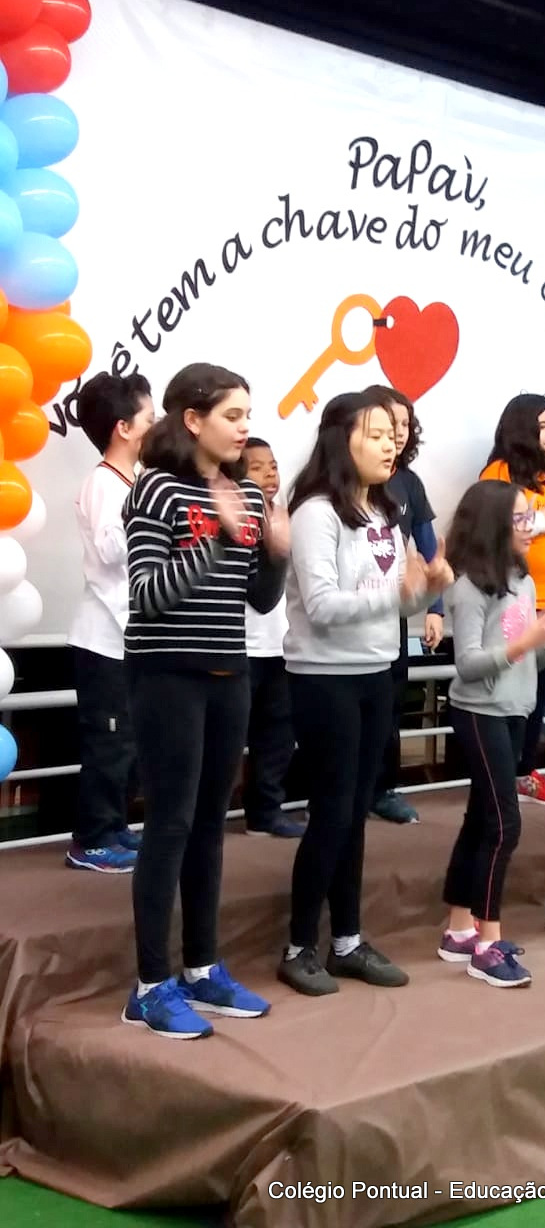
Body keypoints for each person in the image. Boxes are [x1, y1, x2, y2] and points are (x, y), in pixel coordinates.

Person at [121, 363, 289, 1039]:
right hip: (167, 674)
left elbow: (260, 600)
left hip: (230, 673)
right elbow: (148, 596)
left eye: (249, 415)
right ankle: (149, 987)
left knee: (212, 826)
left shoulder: (245, 494)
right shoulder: (155, 488)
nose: (245, 428)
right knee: (171, 824)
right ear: (192, 420)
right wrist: (217, 534)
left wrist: (275, 552)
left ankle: (201, 968)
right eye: (232, 415)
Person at [278, 391, 452, 999]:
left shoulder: (384, 511)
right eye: (375, 434)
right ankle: (299, 946)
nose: (389, 444)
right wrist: (401, 596)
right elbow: (323, 605)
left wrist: (428, 586)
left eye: (391, 434)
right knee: (332, 811)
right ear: (340, 440)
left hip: (378, 670)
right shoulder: (315, 512)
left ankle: (347, 941)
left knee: (355, 814)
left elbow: (396, 595)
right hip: (324, 677)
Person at [438, 479, 545, 987]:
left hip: (513, 708)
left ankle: (458, 929)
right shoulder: (470, 587)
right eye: (520, 518)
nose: (531, 527)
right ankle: (487, 942)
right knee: (503, 823)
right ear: (494, 525)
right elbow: (468, 664)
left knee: (480, 819)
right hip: (479, 711)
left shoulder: (523, 580)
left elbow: (528, 656)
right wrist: (526, 641)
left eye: (530, 516)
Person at [66, 371, 154, 874]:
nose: (157, 428)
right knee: (109, 740)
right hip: (103, 638)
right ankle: (91, 840)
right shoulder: (104, 481)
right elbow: (109, 549)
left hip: (129, 637)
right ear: (123, 427)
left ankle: (114, 824)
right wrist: (148, 519)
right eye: (150, 419)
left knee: (129, 741)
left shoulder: (133, 480)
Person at [481, 394, 545, 806]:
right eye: (542, 426)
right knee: (511, 691)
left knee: (536, 693)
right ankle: (506, 774)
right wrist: (544, 521)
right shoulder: (499, 472)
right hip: (514, 600)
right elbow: (491, 525)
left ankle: (525, 770)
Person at [365, 386, 444, 825]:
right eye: (388, 423)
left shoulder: (409, 482)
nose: (398, 432)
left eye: (404, 424)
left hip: (394, 615)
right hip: (350, 616)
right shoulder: (344, 484)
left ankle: (383, 789)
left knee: (391, 704)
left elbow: (430, 551)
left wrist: (435, 608)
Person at [242, 438, 302, 838]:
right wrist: (276, 549)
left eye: (273, 466)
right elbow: (260, 597)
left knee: (277, 734)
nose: (269, 474)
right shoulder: (234, 518)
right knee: (227, 737)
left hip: (281, 645)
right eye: (257, 467)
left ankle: (265, 812)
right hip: (241, 645)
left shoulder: (284, 517)